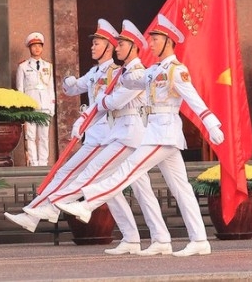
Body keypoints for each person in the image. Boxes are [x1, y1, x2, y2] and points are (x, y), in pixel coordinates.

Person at [55, 14, 225, 257]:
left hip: (163, 134)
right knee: (181, 188)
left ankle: (88, 203)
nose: (151, 44)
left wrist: (211, 124)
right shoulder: (155, 70)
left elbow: (193, 98)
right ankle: (197, 239)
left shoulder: (177, 71)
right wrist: (122, 72)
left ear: (167, 41)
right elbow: (136, 80)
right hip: (155, 132)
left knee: (128, 171)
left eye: (155, 40)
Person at [30, 20, 171, 255]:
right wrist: (87, 108)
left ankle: (56, 205)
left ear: (133, 46)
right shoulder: (122, 71)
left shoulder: (137, 73)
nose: (117, 48)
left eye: (121, 44)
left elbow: (114, 101)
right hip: (121, 132)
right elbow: (92, 95)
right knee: (133, 188)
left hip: (131, 134)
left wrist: (92, 110)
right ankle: (144, 237)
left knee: (96, 176)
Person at [4, 19, 120, 233]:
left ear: (109, 46)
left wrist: (84, 119)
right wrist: (69, 82)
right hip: (97, 135)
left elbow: (106, 105)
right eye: (93, 43)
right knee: (121, 193)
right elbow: (73, 89)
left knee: (68, 173)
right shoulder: (95, 72)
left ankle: (38, 211)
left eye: (97, 43)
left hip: (105, 136)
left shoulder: (116, 73)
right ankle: (135, 236)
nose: (92, 47)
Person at [16, 32, 56, 166]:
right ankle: (33, 163)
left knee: (44, 137)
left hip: (45, 105)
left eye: (39, 46)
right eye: (34, 46)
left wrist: (52, 107)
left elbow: (51, 88)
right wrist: (22, 109)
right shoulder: (23, 67)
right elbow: (20, 90)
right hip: (30, 106)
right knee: (30, 136)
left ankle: (44, 162)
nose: (37, 49)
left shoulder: (48, 66)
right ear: (29, 48)